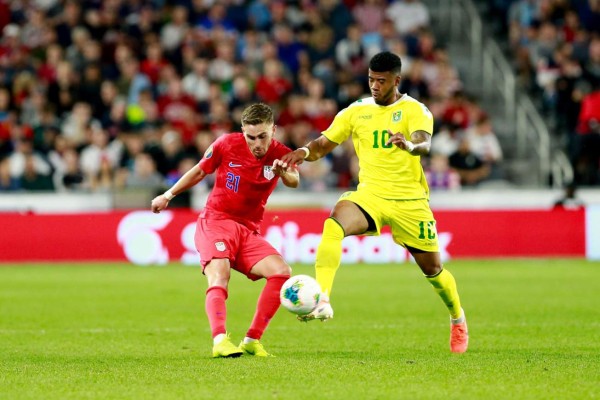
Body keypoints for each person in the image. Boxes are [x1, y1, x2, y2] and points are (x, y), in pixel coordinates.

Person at [280, 51, 469, 353]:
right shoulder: (356, 111)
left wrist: (408, 144)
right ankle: (322, 299)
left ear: (397, 80)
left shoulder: (414, 110)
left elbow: (424, 143)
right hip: (370, 195)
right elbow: (322, 145)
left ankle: (457, 318)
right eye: (370, 80)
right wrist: (301, 153)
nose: (374, 86)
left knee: (433, 270)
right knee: (334, 223)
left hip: (410, 200)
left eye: (381, 81)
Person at [151, 103, 299, 358]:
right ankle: (220, 340)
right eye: (251, 137)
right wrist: (168, 195)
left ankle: (252, 340)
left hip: (248, 231)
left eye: (263, 136)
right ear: (242, 131)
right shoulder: (225, 144)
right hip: (216, 222)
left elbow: (295, 179)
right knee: (220, 274)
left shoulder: (282, 154)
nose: (257, 144)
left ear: (273, 130)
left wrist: (284, 173)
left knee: (281, 272)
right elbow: (199, 171)